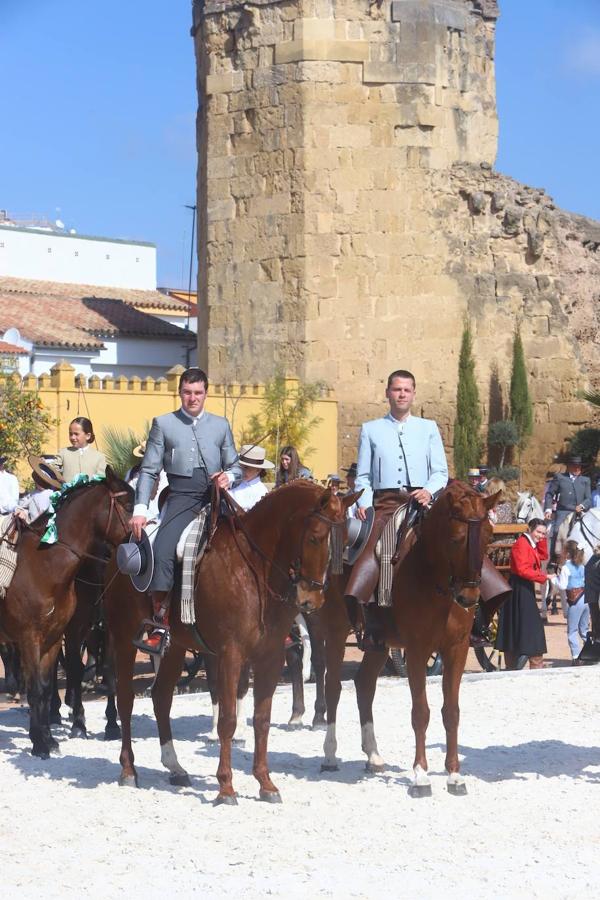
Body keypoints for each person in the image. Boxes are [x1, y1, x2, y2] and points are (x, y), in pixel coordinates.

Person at [129, 367, 241, 652]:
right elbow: (150, 470)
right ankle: (160, 621)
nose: (193, 398)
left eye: (198, 393)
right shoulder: (163, 424)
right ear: (180, 393)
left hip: (216, 498)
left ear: (206, 394)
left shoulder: (221, 425)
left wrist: (230, 477)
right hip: (180, 496)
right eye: (188, 392)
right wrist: (140, 508)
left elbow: (235, 466)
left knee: (249, 541)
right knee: (164, 548)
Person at [345, 369, 449, 649]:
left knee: (459, 541)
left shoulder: (428, 428)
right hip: (387, 504)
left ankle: (473, 612)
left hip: (423, 501)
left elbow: (441, 471)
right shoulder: (371, 429)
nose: (401, 394)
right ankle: (377, 615)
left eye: (406, 390)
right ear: (387, 393)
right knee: (377, 549)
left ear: (413, 394)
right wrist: (364, 504)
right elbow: (363, 477)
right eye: (397, 389)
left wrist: (429, 490)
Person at [495, 518, 554, 669]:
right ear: (529, 529)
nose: (541, 535)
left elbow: (543, 555)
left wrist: (541, 538)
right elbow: (522, 570)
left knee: (520, 626)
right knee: (533, 627)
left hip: (524, 587)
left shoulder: (530, 543)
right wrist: (544, 577)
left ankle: (524, 665)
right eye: (538, 532)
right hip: (518, 589)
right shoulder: (521, 544)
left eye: (543, 533)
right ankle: (533, 665)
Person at [544, 455, 591, 556]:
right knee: (556, 531)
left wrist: (582, 506)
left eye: (579, 466)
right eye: (575, 466)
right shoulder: (560, 478)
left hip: (580, 512)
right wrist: (548, 509)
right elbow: (549, 494)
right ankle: (553, 559)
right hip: (563, 512)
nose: (577, 468)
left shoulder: (585, 480)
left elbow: (589, 499)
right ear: (569, 467)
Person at [556, 541, 589, 664]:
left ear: (567, 553)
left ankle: (576, 657)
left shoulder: (565, 567)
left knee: (572, 631)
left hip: (575, 601)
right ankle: (592, 653)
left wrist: (554, 579)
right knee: (584, 629)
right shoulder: (582, 566)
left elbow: (562, 585)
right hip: (585, 599)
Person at [14, 455, 63, 523]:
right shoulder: (32, 494)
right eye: (38, 480)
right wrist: (22, 512)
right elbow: (22, 506)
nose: (40, 483)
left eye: (43, 481)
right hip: (34, 528)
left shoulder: (53, 494)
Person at [56, 417, 106, 481]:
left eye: (76, 434)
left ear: (88, 436)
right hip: (67, 491)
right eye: (70, 434)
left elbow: (101, 479)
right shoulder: (63, 453)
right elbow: (54, 472)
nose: (73, 437)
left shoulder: (99, 457)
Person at [229, 444, 273, 511]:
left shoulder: (261, 492)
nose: (241, 471)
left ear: (258, 470)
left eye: (246, 468)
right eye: (240, 466)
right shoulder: (232, 481)